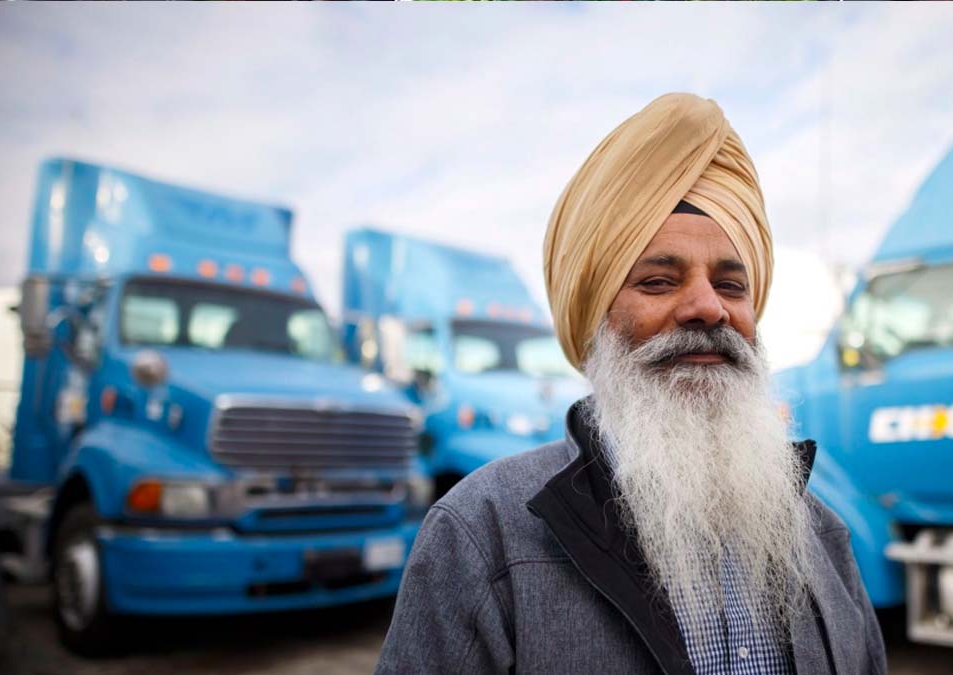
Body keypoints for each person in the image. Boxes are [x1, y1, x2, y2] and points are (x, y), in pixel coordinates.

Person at [375, 93, 886, 675]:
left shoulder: (821, 533)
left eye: (731, 285)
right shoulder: (481, 533)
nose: (707, 308)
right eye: (659, 281)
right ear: (595, 318)